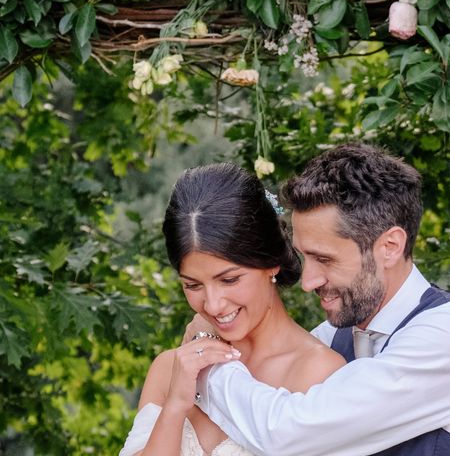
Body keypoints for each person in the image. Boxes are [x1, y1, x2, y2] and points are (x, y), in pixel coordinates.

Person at [189, 143, 450, 455]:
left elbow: (288, 434)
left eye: (324, 259)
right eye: (303, 257)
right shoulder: (333, 337)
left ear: (390, 247)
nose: (308, 281)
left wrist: (207, 363)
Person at [118, 163, 345, 456]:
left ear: (271, 261)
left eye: (229, 280)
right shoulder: (171, 368)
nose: (212, 304)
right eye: (193, 285)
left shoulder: (319, 373)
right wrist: (175, 406)